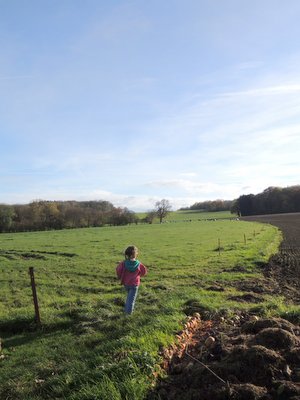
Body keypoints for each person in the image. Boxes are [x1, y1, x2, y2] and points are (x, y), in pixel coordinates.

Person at [116, 246, 147, 314]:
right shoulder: (139, 264)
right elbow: (144, 271)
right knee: (131, 300)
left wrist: (120, 276)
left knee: (129, 298)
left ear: (126, 255)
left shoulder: (123, 263)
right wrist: (139, 275)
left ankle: (127, 309)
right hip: (134, 284)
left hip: (126, 284)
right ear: (135, 255)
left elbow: (118, 270)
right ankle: (128, 314)